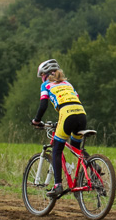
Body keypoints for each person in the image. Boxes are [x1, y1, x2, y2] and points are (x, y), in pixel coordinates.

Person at [31, 59, 88, 197]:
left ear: (45, 75)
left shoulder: (46, 85)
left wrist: (37, 120)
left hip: (67, 115)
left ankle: (57, 185)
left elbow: (43, 105)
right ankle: (92, 166)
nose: (41, 79)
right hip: (81, 114)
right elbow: (73, 100)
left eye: (41, 76)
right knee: (76, 148)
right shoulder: (68, 84)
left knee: (56, 150)